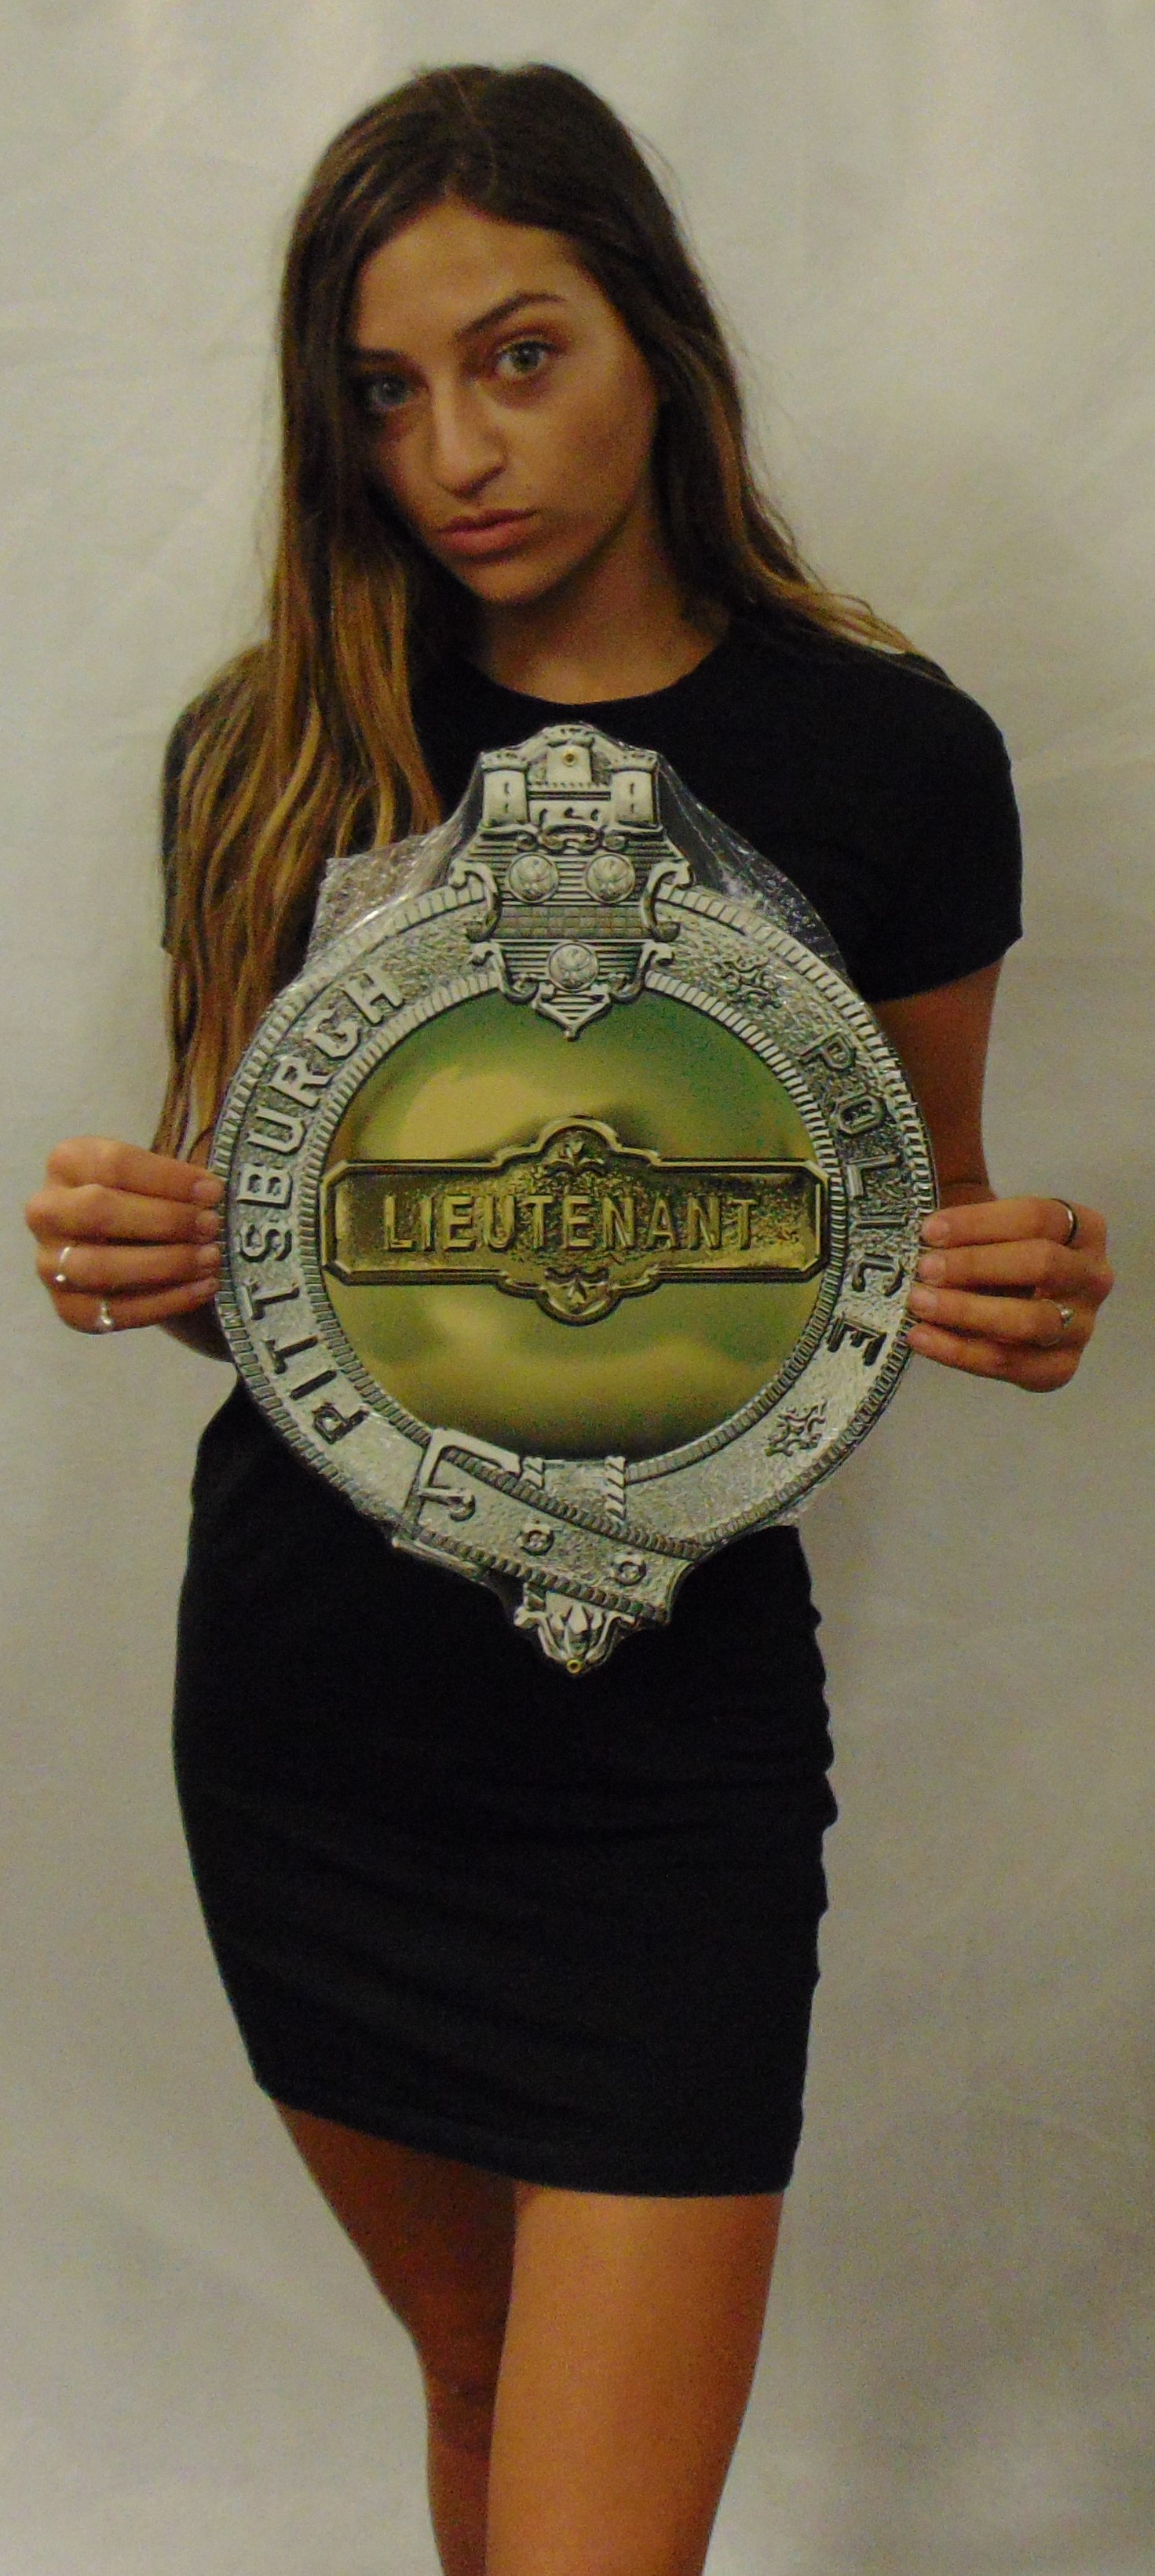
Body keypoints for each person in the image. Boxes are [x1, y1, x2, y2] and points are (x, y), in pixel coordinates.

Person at [24, 62, 1113, 2576]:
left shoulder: (892, 756)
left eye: (518, 355)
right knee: (485, 2374)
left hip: (662, 1754)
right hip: (312, 1711)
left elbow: (899, 1235)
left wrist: (1025, 1284)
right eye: (385, 390)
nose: (454, 452)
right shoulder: (272, 746)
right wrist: (160, 1259)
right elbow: (289, 1280)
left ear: (658, 334)